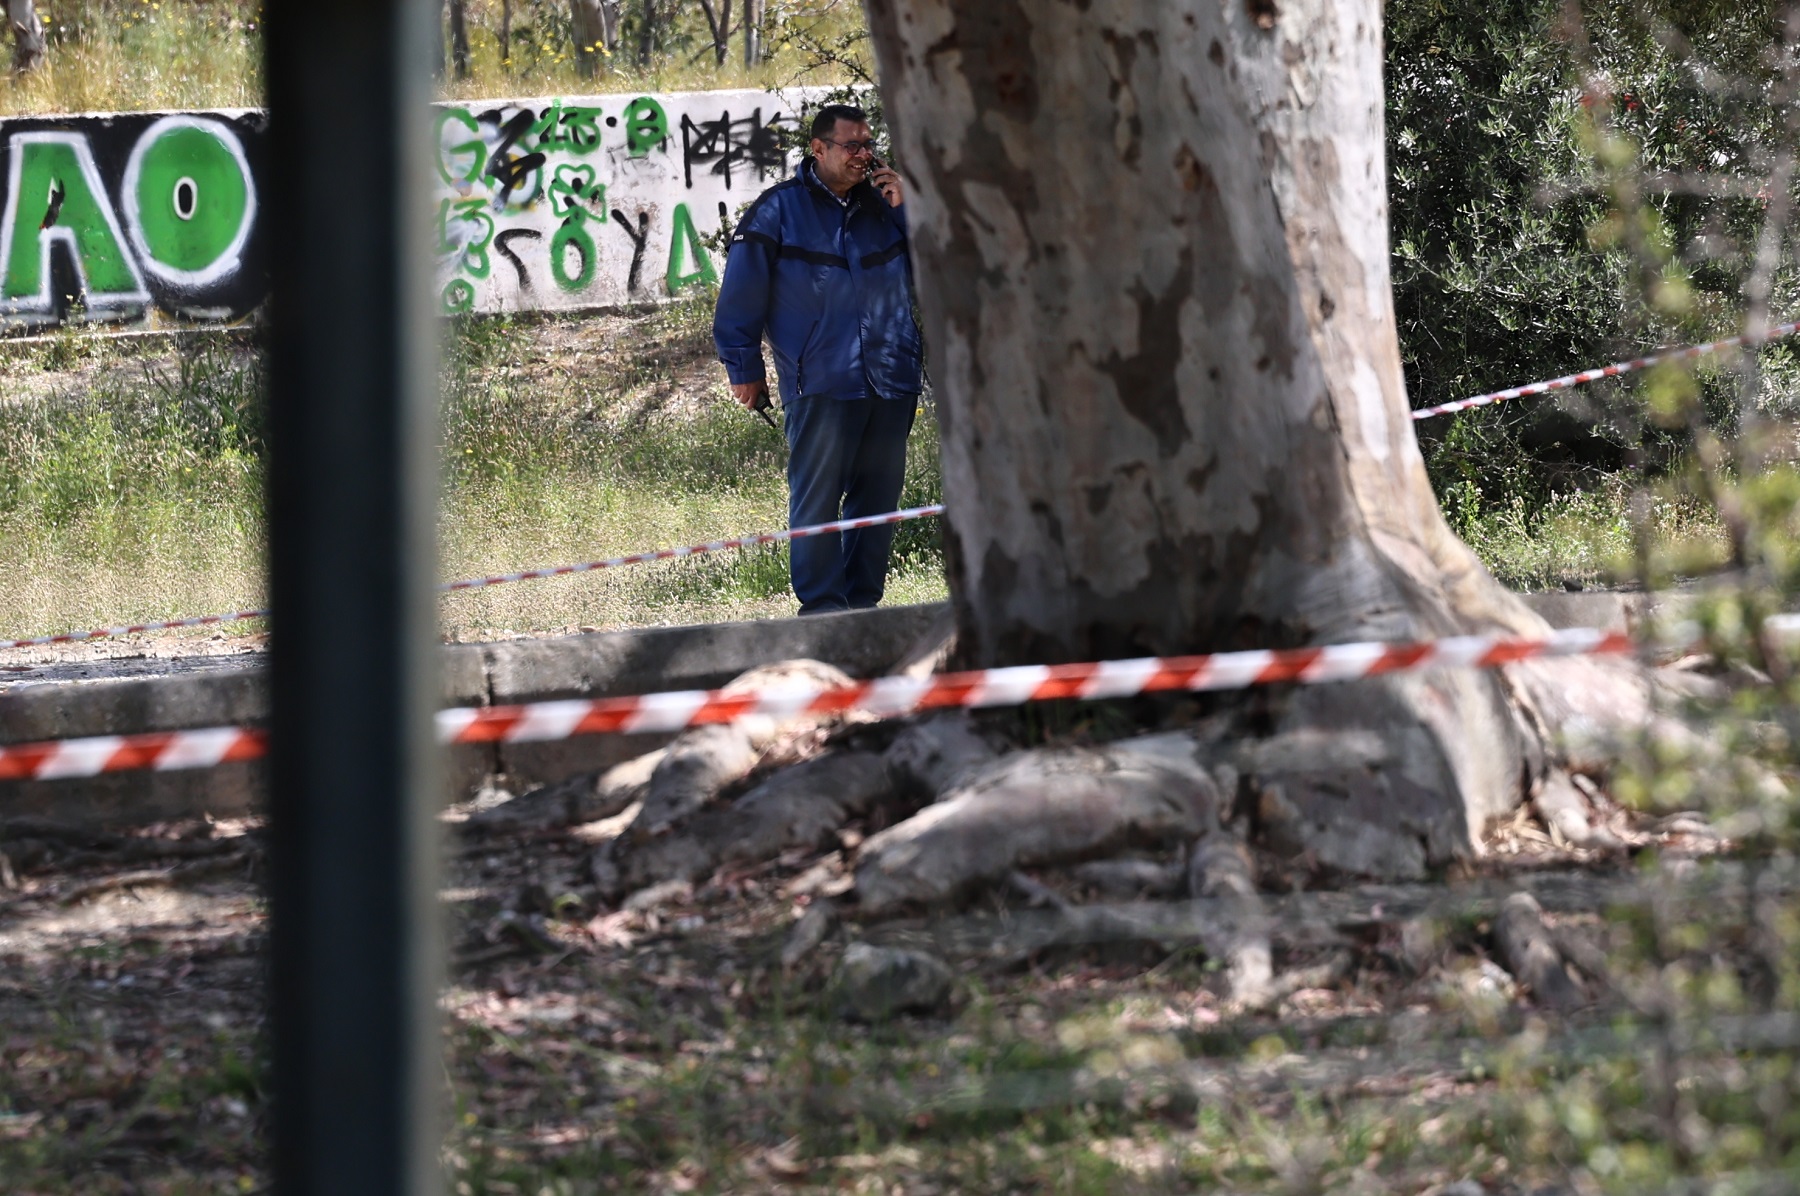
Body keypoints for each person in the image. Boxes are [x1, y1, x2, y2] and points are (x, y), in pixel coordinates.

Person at [712, 103, 925, 614]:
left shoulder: (886, 206)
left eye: (868, 144)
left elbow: (940, 271)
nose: (863, 155)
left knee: (878, 502)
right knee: (818, 501)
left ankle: (863, 607)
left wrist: (908, 211)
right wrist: (744, 369)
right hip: (822, 380)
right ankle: (824, 613)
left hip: (892, 378)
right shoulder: (778, 210)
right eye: (851, 145)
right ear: (819, 149)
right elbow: (740, 295)